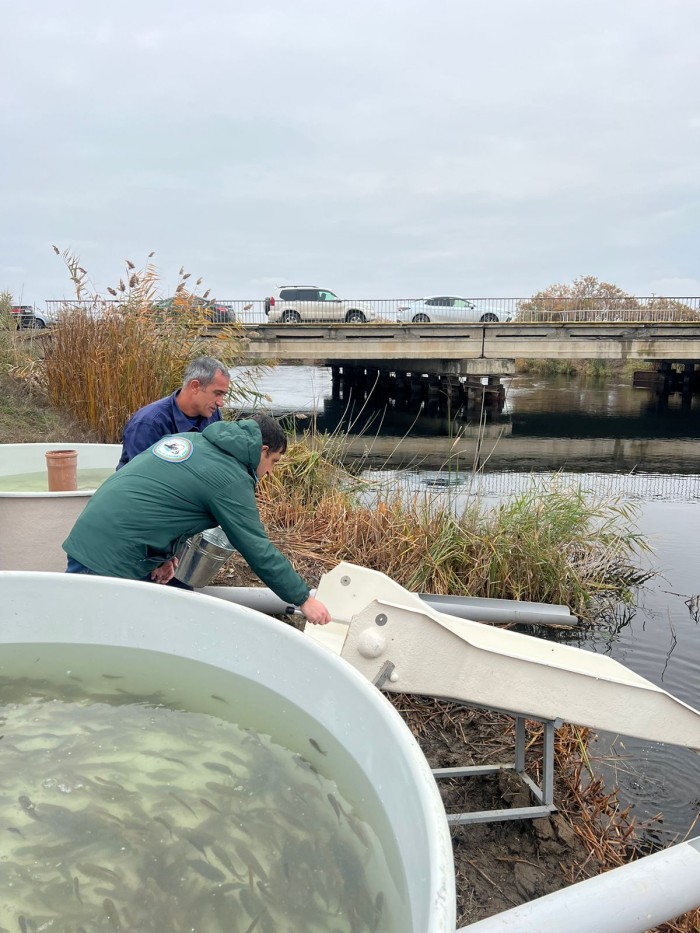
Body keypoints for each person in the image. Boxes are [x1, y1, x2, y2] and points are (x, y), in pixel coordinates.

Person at [63, 414, 331, 625]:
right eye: (273, 460)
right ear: (261, 450)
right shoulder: (231, 477)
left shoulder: (193, 442)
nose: (271, 472)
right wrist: (303, 599)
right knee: (89, 633)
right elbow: (257, 548)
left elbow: (163, 504)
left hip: (95, 533)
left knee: (105, 628)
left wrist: (164, 557)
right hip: (109, 556)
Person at [116, 356, 231, 469]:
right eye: (217, 393)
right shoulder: (148, 423)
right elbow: (140, 476)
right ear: (195, 386)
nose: (221, 403)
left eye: (223, 395)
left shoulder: (212, 415)